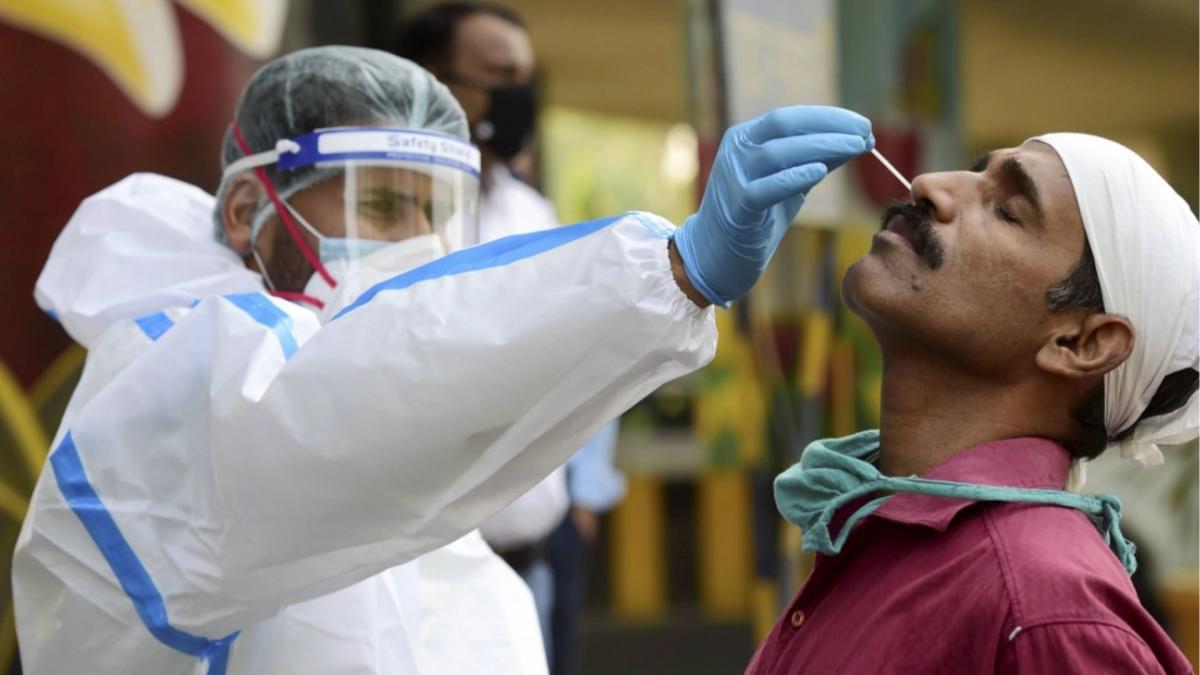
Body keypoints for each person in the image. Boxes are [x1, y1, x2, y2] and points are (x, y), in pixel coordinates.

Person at [13, 45, 873, 674]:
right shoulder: (168, 374)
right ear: (247, 211)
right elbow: (332, 412)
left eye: (440, 211)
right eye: (382, 201)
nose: (419, 244)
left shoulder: (398, 452)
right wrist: (668, 274)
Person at [748, 135, 1197, 674]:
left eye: (1006, 210)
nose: (928, 186)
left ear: (1081, 344)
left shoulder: (1044, 605)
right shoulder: (887, 537)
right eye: (973, 173)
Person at [393, 5, 625, 663]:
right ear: (431, 82)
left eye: (525, 75)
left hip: (529, 561)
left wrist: (584, 493)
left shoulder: (529, 210)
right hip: (415, 578)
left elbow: (582, 351)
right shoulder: (380, 213)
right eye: (499, 75)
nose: (517, 93)